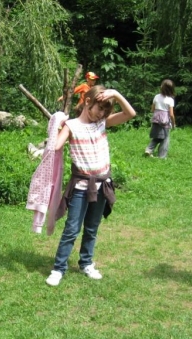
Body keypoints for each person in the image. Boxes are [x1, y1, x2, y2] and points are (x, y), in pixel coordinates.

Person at [46, 86, 136, 286]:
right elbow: (56, 146)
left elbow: (130, 114)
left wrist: (116, 94)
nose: (102, 114)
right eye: (99, 108)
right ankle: (58, 268)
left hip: (102, 185)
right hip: (80, 187)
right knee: (72, 229)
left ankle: (86, 263)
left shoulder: (102, 124)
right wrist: (56, 124)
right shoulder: (71, 126)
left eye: (106, 110)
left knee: (92, 228)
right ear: (88, 102)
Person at [144, 79, 176, 159]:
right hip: (165, 122)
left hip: (156, 120)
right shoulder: (170, 100)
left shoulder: (156, 96)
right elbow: (171, 115)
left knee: (157, 136)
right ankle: (162, 156)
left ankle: (149, 149)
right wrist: (173, 124)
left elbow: (152, 109)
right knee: (165, 138)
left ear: (162, 87)